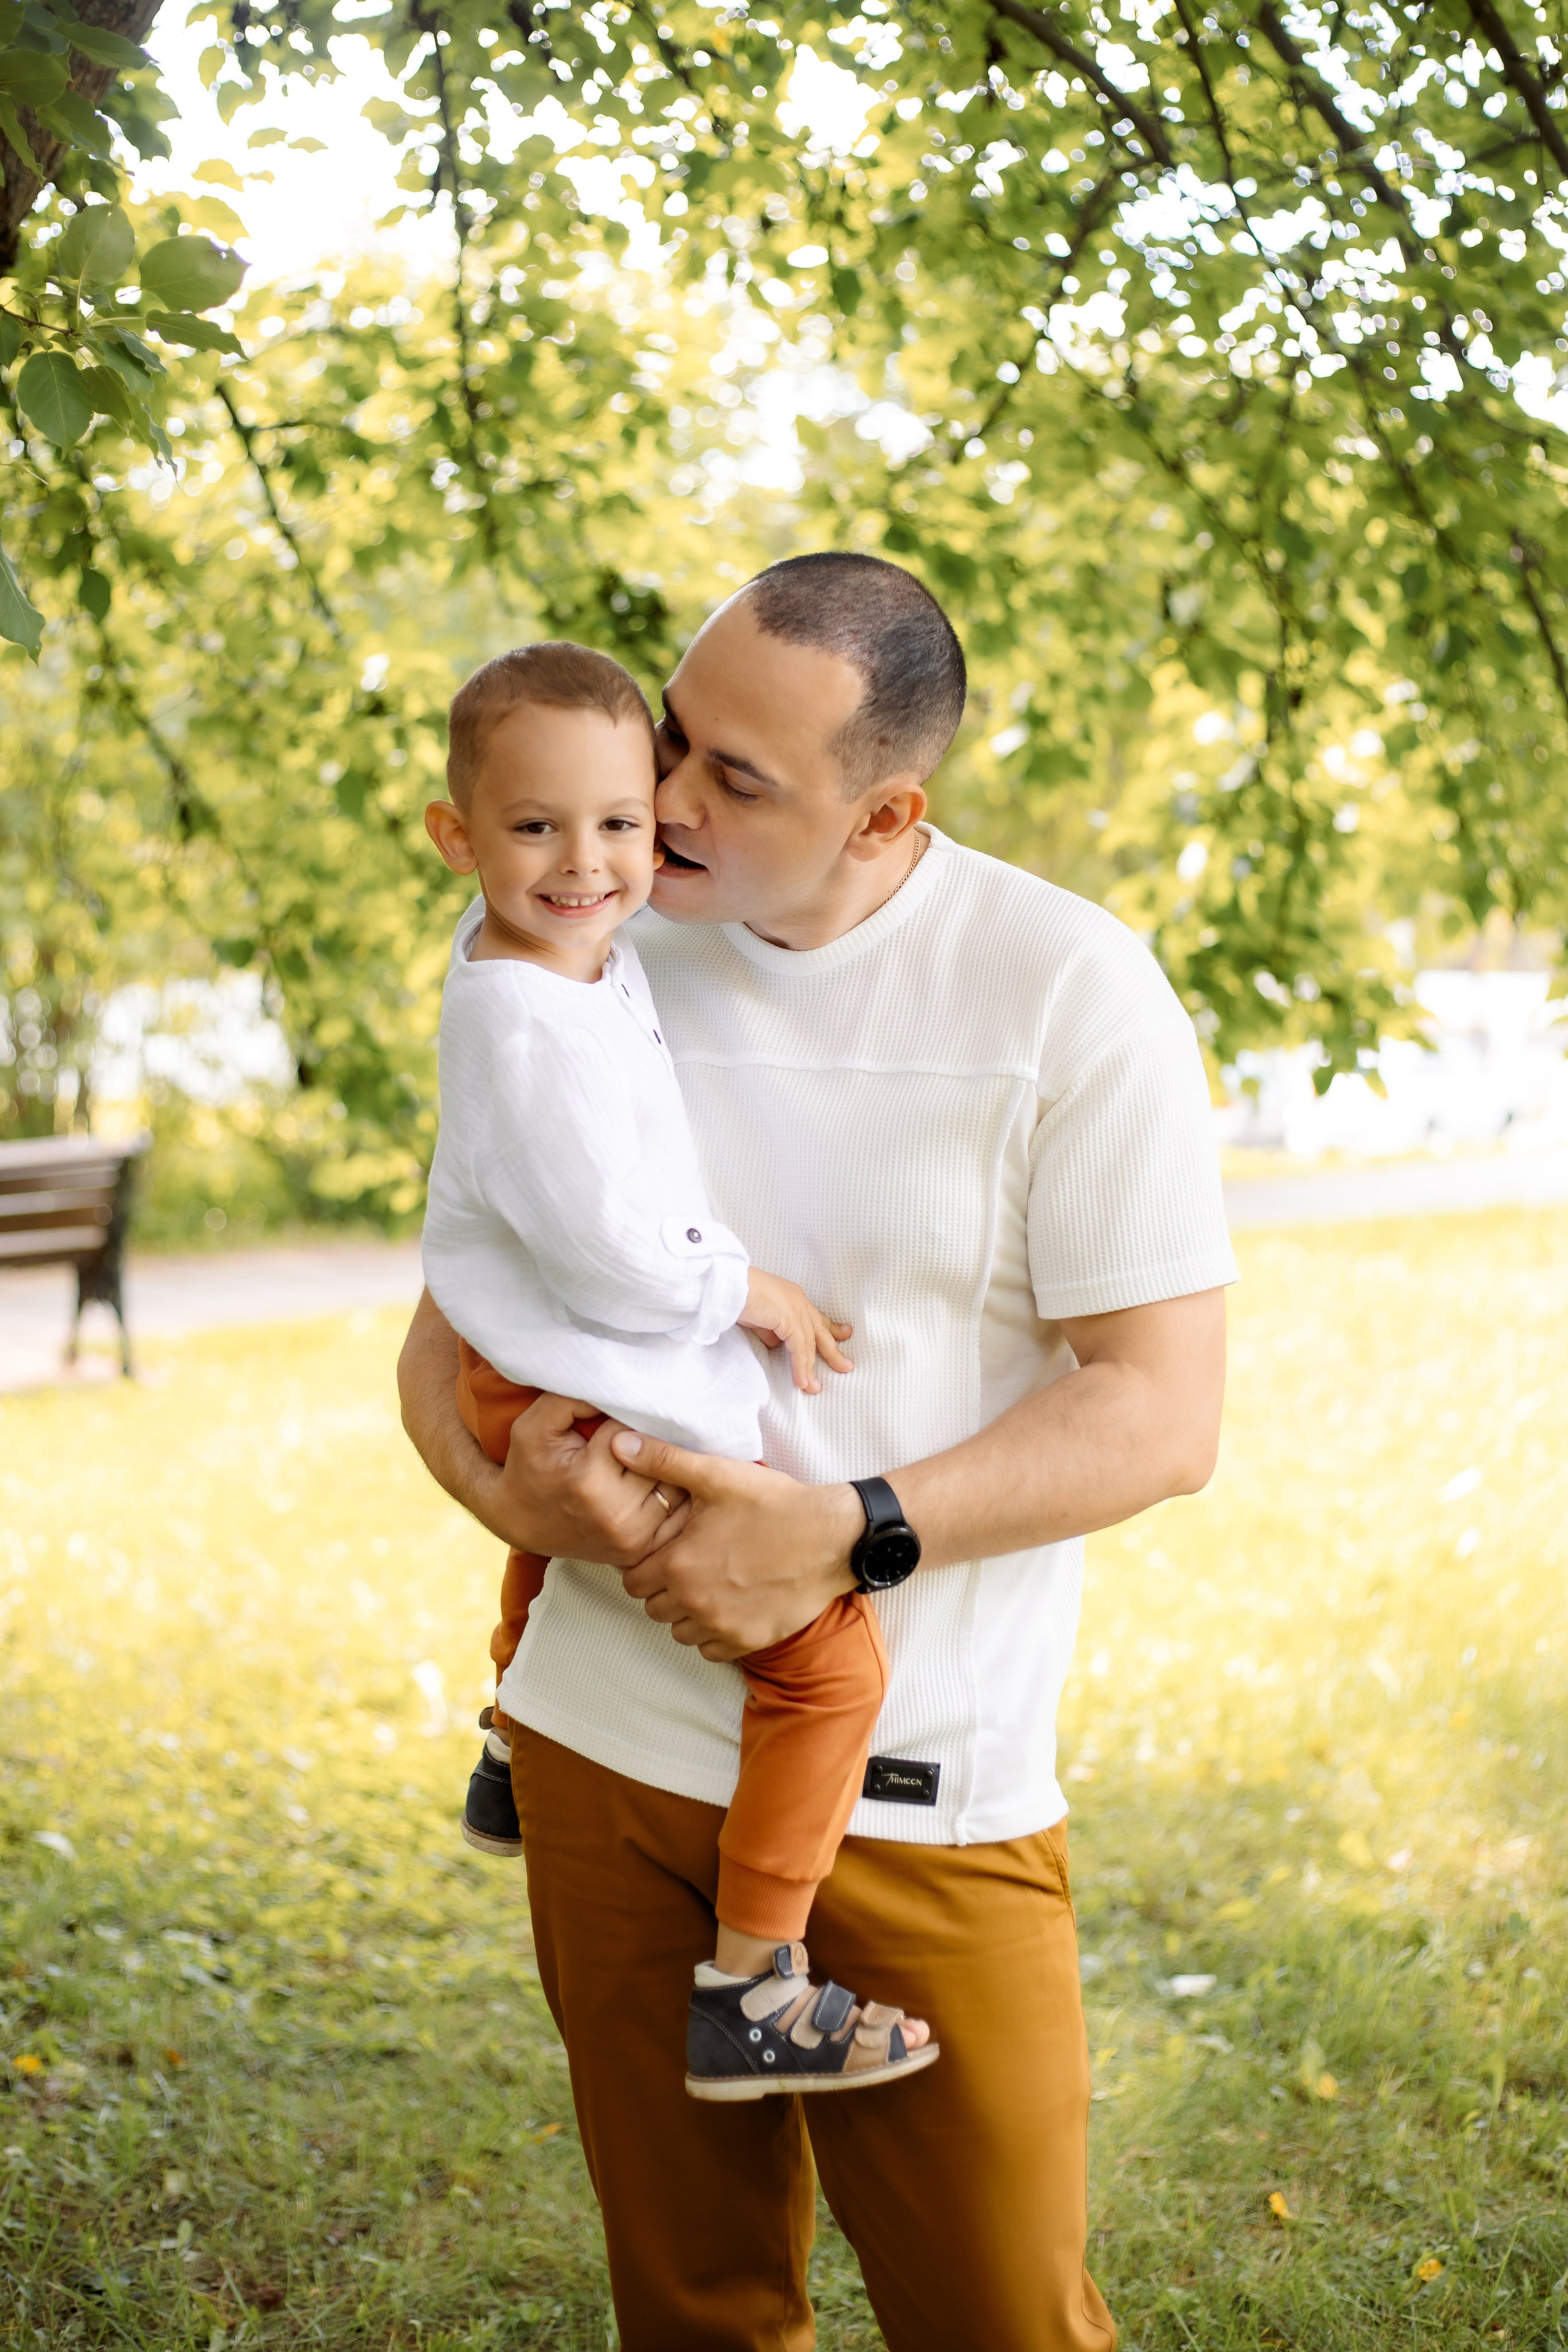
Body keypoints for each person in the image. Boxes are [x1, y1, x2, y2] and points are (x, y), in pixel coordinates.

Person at [398, 552, 1237, 2352]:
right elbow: (449, 1319)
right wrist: (504, 1492)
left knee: (1002, 2319)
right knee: (695, 2314)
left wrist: (843, 1531)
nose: (662, 809)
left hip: (917, 1786)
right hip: (602, 1755)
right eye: (672, 743)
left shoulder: (1067, 994)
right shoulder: (588, 940)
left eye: (732, 782)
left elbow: (1161, 1414)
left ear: (886, 811)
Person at [419, 638, 936, 2097]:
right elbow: (608, 1256)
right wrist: (749, 1290)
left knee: (554, 1546)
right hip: (574, 1381)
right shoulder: (525, 1017)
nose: (587, 862)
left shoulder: (560, 959)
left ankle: (512, 1745)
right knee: (830, 1667)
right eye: (534, 828)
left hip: (536, 1370)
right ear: (456, 837)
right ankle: (754, 1983)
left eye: (619, 825)